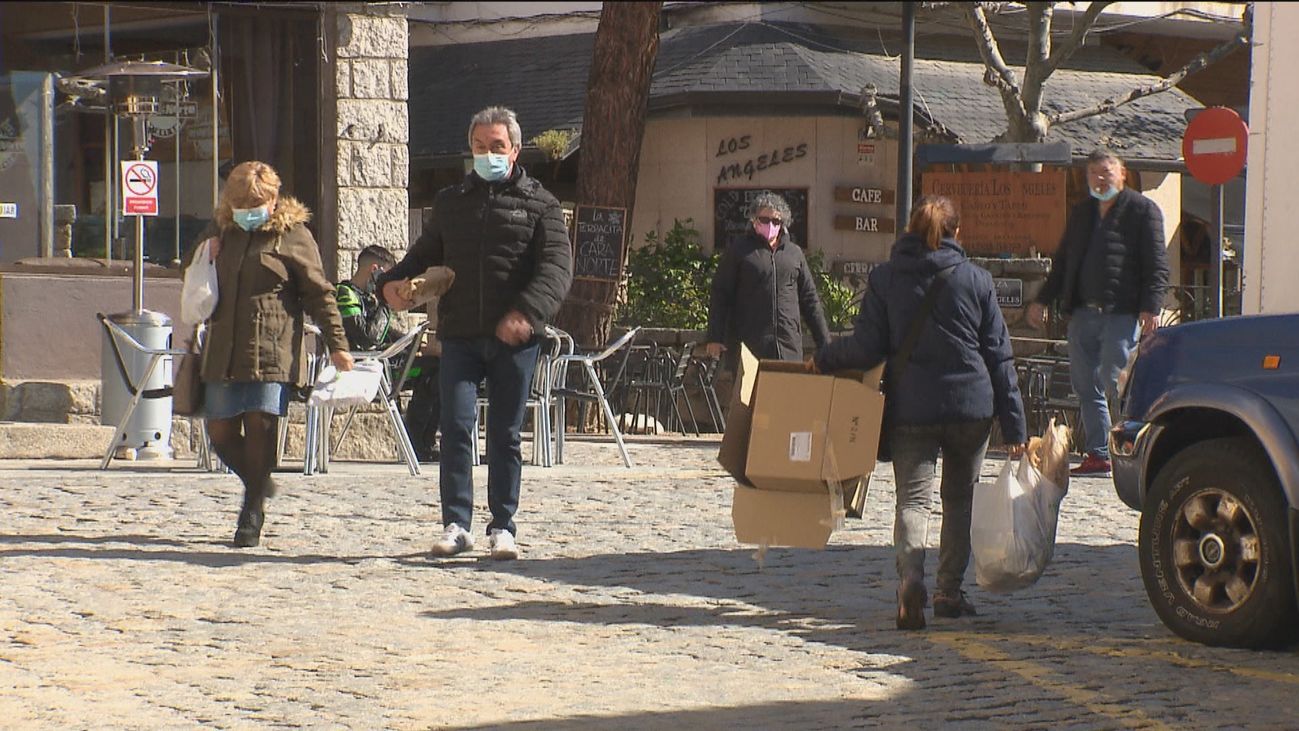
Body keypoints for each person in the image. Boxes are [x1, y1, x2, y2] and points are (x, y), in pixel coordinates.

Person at [814, 195, 1027, 631]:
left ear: (910, 230)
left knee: (913, 500)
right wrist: (1015, 424)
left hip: (911, 406)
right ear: (957, 233)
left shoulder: (887, 278)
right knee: (959, 499)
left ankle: (911, 577)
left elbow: (866, 347)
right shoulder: (977, 280)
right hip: (971, 407)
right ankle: (949, 590)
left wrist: (824, 359)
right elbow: (999, 357)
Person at [377, 106, 572, 560]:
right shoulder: (451, 202)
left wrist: (527, 312)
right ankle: (456, 524)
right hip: (460, 335)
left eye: (497, 147)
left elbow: (558, 269)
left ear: (515, 149)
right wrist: (393, 281)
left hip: (515, 340)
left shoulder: (542, 203)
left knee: (504, 433)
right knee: (457, 426)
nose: (488, 154)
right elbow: (423, 254)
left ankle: (503, 526)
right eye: (480, 147)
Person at [184, 161, 353, 548]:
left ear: (274, 199)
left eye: (255, 204)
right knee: (220, 431)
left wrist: (338, 344)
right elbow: (189, 274)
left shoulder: (293, 235)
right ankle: (259, 481)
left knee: (260, 427)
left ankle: (252, 509)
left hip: (272, 348)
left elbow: (319, 293)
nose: (247, 211)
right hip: (223, 348)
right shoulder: (221, 229)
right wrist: (203, 254)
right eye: (240, 204)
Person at [1027, 149, 1169, 477]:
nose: (1099, 179)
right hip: (1083, 314)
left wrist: (1152, 307)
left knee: (1113, 378)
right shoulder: (1082, 213)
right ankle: (1099, 453)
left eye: (1106, 172)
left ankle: (1130, 450)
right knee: (1084, 384)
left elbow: (1157, 264)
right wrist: (1042, 300)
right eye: (1093, 173)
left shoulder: (1142, 210)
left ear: (1122, 174)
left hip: (1121, 313)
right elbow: (1063, 262)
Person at [336, 246, 443, 463]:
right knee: (432, 371)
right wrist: (386, 302)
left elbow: (387, 334)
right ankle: (414, 441)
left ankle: (424, 440)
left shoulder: (370, 299)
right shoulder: (345, 293)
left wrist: (415, 343)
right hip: (362, 367)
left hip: (385, 365)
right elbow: (368, 337)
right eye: (386, 276)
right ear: (375, 270)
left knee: (441, 367)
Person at [705, 191, 832, 367]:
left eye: (776, 221)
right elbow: (720, 294)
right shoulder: (739, 251)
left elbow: (810, 300)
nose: (770, 225)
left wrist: (825, 344)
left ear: (783, 224)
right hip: (749, 348)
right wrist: (714, 337)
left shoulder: (794, 254)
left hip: (788, 348)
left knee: (786, 394)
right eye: (764, 220)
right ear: (754, 220)